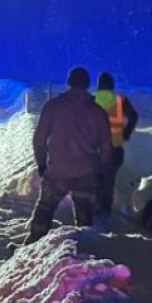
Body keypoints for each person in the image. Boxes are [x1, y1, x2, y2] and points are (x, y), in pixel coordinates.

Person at [24, 67, 113, 245]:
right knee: (84, 217)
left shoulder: (53, 106)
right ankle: (84, 251)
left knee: (45, 210)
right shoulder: (98, 112)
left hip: (57, 171)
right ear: (87, 85)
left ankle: (31, 247)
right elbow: (106, 146)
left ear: (69, 82)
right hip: (86, 174)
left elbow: (39, 140)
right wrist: (103, 171)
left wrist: (42, 164)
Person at [94, 72, 139, 217]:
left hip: (93, 150)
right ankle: (105, 213)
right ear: (112, 85)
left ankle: (93, 212)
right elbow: (133, 116)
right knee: (108, 182)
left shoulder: (91, 100)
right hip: (114, 149)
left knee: (94, 180)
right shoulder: (120, 100)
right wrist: (126, 134)